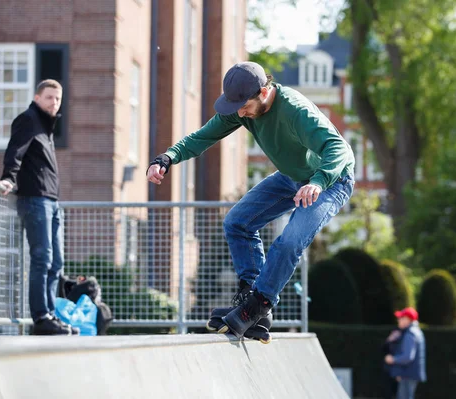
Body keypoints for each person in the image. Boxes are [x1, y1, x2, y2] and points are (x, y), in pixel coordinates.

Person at [147, 61, 355, 338]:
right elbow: (202, 137)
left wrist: (318, 182)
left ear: (265, 92)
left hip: (332, 180)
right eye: (237, 108)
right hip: (292, 177)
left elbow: (338, 148)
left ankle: (259, 304)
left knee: (290, 240)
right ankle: (252, 302)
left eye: (245, 106)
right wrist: (167, 158)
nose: (241, 113)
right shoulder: (241, 110)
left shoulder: (295, 109)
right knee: (237, 222)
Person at [0, 79, 78, 335]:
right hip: (35, 199)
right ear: (37, 98)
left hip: (52, 201)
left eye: (58, 99)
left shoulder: (46, 127)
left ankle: (51, 315)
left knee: (56, 262)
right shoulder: (28, 119)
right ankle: (41, 317)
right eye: (49, 98)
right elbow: (15, 151)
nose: (54, 103)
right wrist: (9, 177)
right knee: (42, 258)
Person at [384, 307, 426, 399]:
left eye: (401, 318)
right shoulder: (416, 332)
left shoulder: (410, 334)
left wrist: (393, 359)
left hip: (408, 374)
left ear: (408, 320)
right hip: (409, 373)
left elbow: (407, 357)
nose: (398, 320)